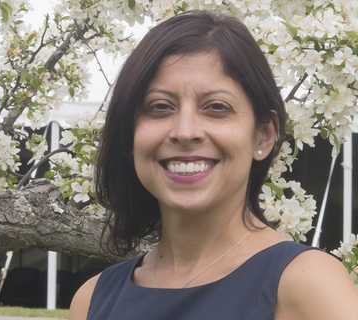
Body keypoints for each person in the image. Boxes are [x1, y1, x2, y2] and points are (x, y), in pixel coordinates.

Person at [68, 10, 358, 320]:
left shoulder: (306, 285)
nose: (185, 131)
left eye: (217, 107)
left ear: (264, 135)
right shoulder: (92, 301)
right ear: (130, 135)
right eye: (160, 107)